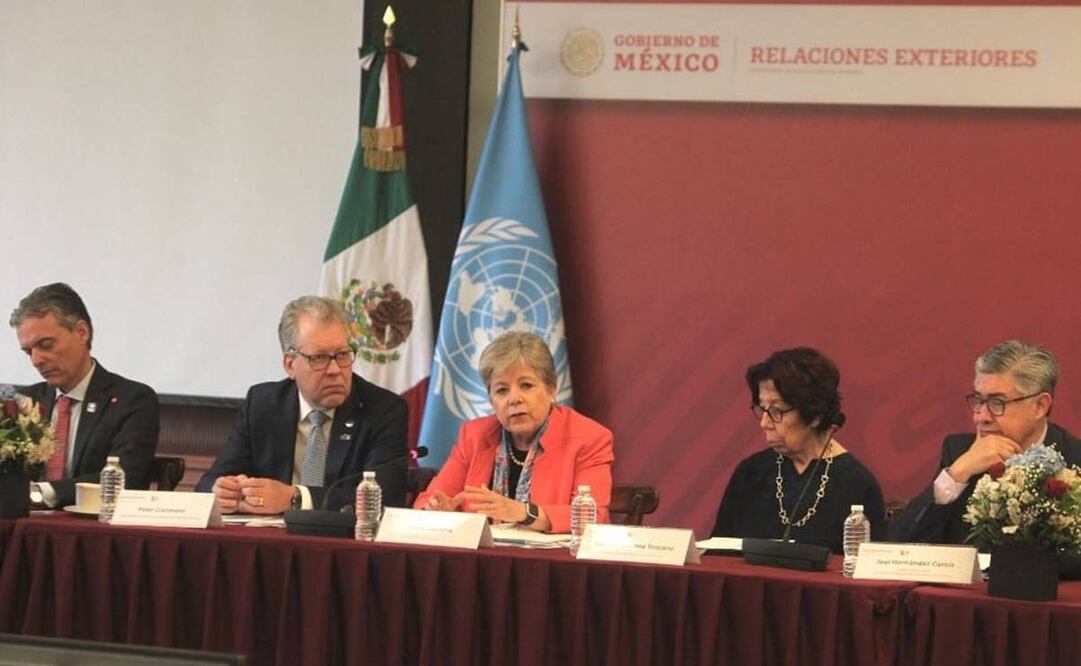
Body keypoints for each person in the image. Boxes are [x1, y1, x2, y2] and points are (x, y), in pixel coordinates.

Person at [196, 296, 408, 512]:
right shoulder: (262, 404)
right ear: (290, 365)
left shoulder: (383, 410)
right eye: (319, 358)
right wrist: (221, 492)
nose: (335, 370)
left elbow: (386, 497)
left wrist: (295, 497)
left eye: (342, 355)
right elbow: (208, 484)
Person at [414, 331, 614, 533]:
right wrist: (438, 510)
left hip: (552, 562)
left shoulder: (589, 438)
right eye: (501, 390)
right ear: (491, 400)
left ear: (551, 389)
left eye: (526, 385)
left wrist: (524, 513)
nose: (514, 399)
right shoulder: (475, 436)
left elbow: (592, 516)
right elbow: (428, 500)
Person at [891, 340, 1081, 544]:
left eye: (997, 402)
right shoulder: (960, 452)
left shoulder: (1075, 459)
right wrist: (956, 474)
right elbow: (901, 544)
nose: (981, 417)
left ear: (1039, 406)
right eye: (979, 400)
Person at [711, 347, 886, 553]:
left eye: (776, 410)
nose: (764, 423)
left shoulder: (856, 484)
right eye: (762, 408)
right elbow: (718, 555)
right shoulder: (750, 473)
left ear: (815, 415)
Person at [10, 282, 160, 508]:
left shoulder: (132, 400)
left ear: (82, 332)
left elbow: (123, 478)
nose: (36, 360)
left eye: (46, 345)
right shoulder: (24, 402)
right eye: (28, 351)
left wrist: (41, 493)